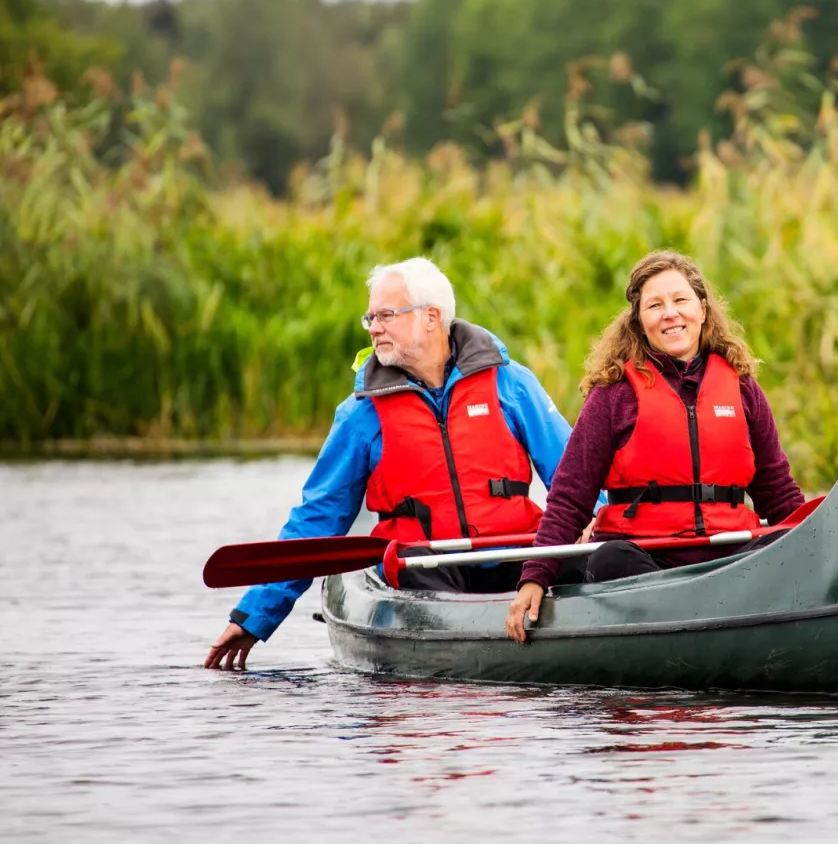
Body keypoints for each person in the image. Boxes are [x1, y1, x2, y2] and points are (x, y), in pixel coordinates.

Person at [206, 256, 572, 670]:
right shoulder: (362, 413)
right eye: (370, 317)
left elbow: (574, 477)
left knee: (581, 570)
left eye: (386, 315)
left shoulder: (511, 383)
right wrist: (255, 617)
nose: (374, 327)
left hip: (518, 552)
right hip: (420, 565)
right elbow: (318, 518)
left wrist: (599, 527)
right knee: (424, 586)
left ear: (432, 317)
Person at [505, 250, 806, 643]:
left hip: (729, 557)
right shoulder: (614, 394)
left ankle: (730, 621)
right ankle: (691, 629)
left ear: (702, 309)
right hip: (647, 561)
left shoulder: (743, 387)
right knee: (609, 558)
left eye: (680, 300)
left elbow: (779, 493)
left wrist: (816, 546)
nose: (670, 314)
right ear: (639, 321)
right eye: (655, 305)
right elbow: (569, 497)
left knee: (782, 540)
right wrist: (535, 578)